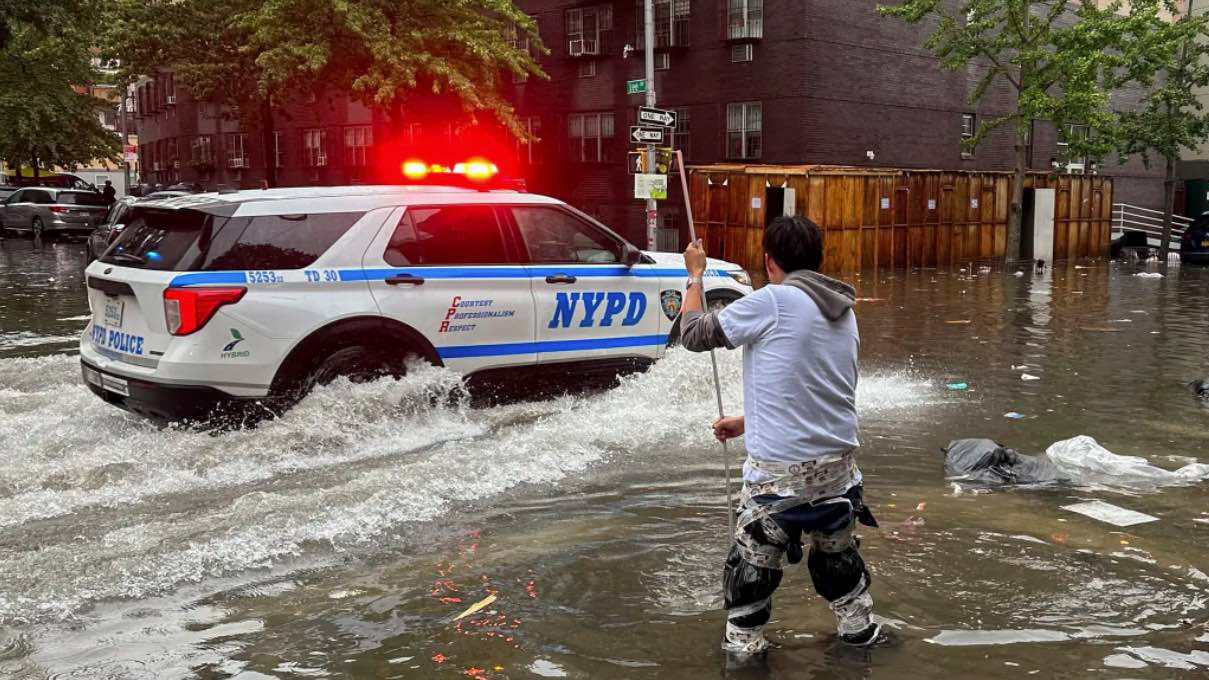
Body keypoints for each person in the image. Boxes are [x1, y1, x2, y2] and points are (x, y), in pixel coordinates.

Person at [679, 215, 880, 656]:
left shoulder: (772, 300)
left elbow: (692, 335)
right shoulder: (843, 310)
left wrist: (694, 275)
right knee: (841, 573)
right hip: (840, 477)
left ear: (769, 262)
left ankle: (746, 656)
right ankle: (861, 643)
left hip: (778, 481)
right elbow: (819, 389)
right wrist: (749, 420)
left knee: (748, 581)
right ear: (817, 259)